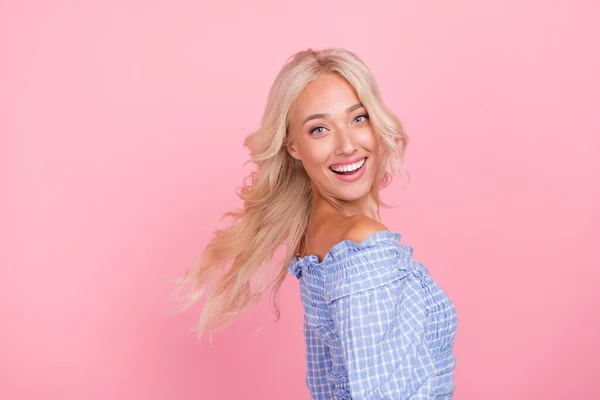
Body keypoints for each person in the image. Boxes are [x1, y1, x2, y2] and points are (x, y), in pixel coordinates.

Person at [175, 48, 458, 399]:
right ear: (293, 146)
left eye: (358, 118)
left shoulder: (317, 238)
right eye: (319, 129)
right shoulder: (361, 244)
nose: (347, 145)